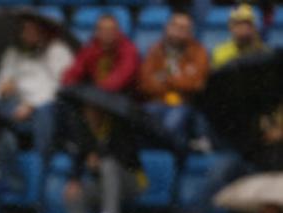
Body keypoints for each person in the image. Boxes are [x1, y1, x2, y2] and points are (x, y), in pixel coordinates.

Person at [0, 13, 71, 158]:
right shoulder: (13, 53)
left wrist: (32, 105)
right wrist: (3, 89)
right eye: (25, 30)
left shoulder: (57, 51)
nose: (28, 34)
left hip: (48, 106)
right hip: (16, 104)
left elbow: (61, 88)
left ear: (43, 31)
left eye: (33, 30)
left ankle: (42, 159)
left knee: (45, 112)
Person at [62, 101, 145, 213]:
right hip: (105, 187)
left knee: (108, 164)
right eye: (87, 111)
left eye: (94, 111)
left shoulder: (119, 128)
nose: (90, 115)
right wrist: (74, 180)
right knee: (74, 193)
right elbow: (78, 160)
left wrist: (100, 157)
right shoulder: (84, 132)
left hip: (131, 182)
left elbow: (127, 158)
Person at [137, 11, 209, 141]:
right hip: (157, 102)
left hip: (184, 105)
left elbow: (196, 84)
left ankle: (178, 153)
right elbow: (146, 84)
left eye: (184, 28)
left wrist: (165, 78)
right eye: (175, 26)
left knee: (172, 123)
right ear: (167, 27)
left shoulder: (199, 51)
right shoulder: (154, 51)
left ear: (190, 32)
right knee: (139, 118)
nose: (179, 31)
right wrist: (179, 80)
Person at [62, 14, 139, 95]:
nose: (107, 33)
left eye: (111, 30)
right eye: (102, 29)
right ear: (96, 32)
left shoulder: (128, 49)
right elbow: (76, 69)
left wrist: (95, 91)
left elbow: (121, 76)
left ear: (118, 32)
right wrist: (69, 82)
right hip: (96, 95)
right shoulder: (91, 47)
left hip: (122, 95)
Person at [211, 4, 269, 69]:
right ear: (230, 27)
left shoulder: (264, 53)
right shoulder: (219, 54)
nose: (243, 27)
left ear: (254, 27)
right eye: (238, 23)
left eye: (247, 23)